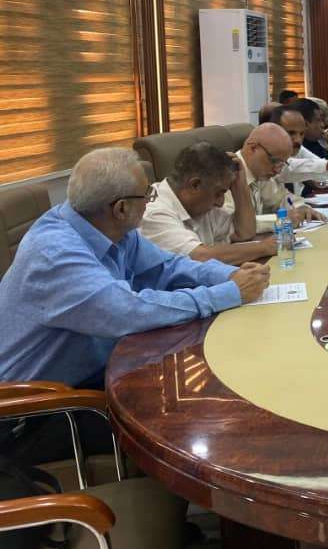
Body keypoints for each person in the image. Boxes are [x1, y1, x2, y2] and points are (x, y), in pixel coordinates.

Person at [0, 148, 270, 388]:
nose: (150, 200)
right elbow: (129, 311)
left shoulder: (107, 225)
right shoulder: (55, 253)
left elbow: (168, 267)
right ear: (121, 208)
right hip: (38, 408)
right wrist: (228, 293)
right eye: (147, 195)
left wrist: (230, 275)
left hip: (100, 369)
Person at [139, 142, 278, 264]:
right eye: (218, 193)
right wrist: (264, 247)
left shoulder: (200, 205)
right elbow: (199, 257)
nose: (220, 203)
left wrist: (240, 184)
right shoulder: (154, 212)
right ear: (195, 185)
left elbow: (245, 232)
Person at [237, 122, 325, 233]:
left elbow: (281, 198)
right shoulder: (227, 173)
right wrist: (281, 219)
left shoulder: (259, 173)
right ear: (253, 148)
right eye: (274, 161)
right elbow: (230, 226)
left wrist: (300, 207)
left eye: (282, 163)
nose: (277, 170)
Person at [266, 105, 328, 188]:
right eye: (291, 133)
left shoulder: (298, 149)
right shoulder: (267, 157)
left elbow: (323, 176)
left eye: (301, 134)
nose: (298, 140)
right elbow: (288, 168)